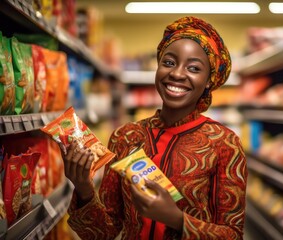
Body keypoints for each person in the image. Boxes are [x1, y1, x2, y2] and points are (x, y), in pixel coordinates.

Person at [63, 16, 247, 239]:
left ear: (209, 80)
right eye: (169, 62)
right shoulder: (126, 137)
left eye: (194, 68)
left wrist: (176, 219)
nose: (177, 73)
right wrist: (83, 187)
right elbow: (105, 232)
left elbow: (233, 234)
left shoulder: (224, 143)